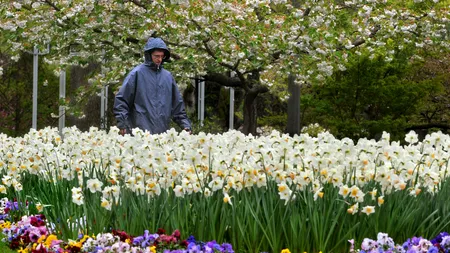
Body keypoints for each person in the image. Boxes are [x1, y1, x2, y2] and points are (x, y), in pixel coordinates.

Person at [113, 37, 192, 135]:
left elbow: (177, 105)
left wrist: (186, 125)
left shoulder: (167, 77)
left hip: (162, 134)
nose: (159, 59)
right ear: (149, 55)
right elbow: (122, 100)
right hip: (138, 134)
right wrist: (122, 124)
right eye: (156, 56)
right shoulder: (136, 74)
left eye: (161, 56)